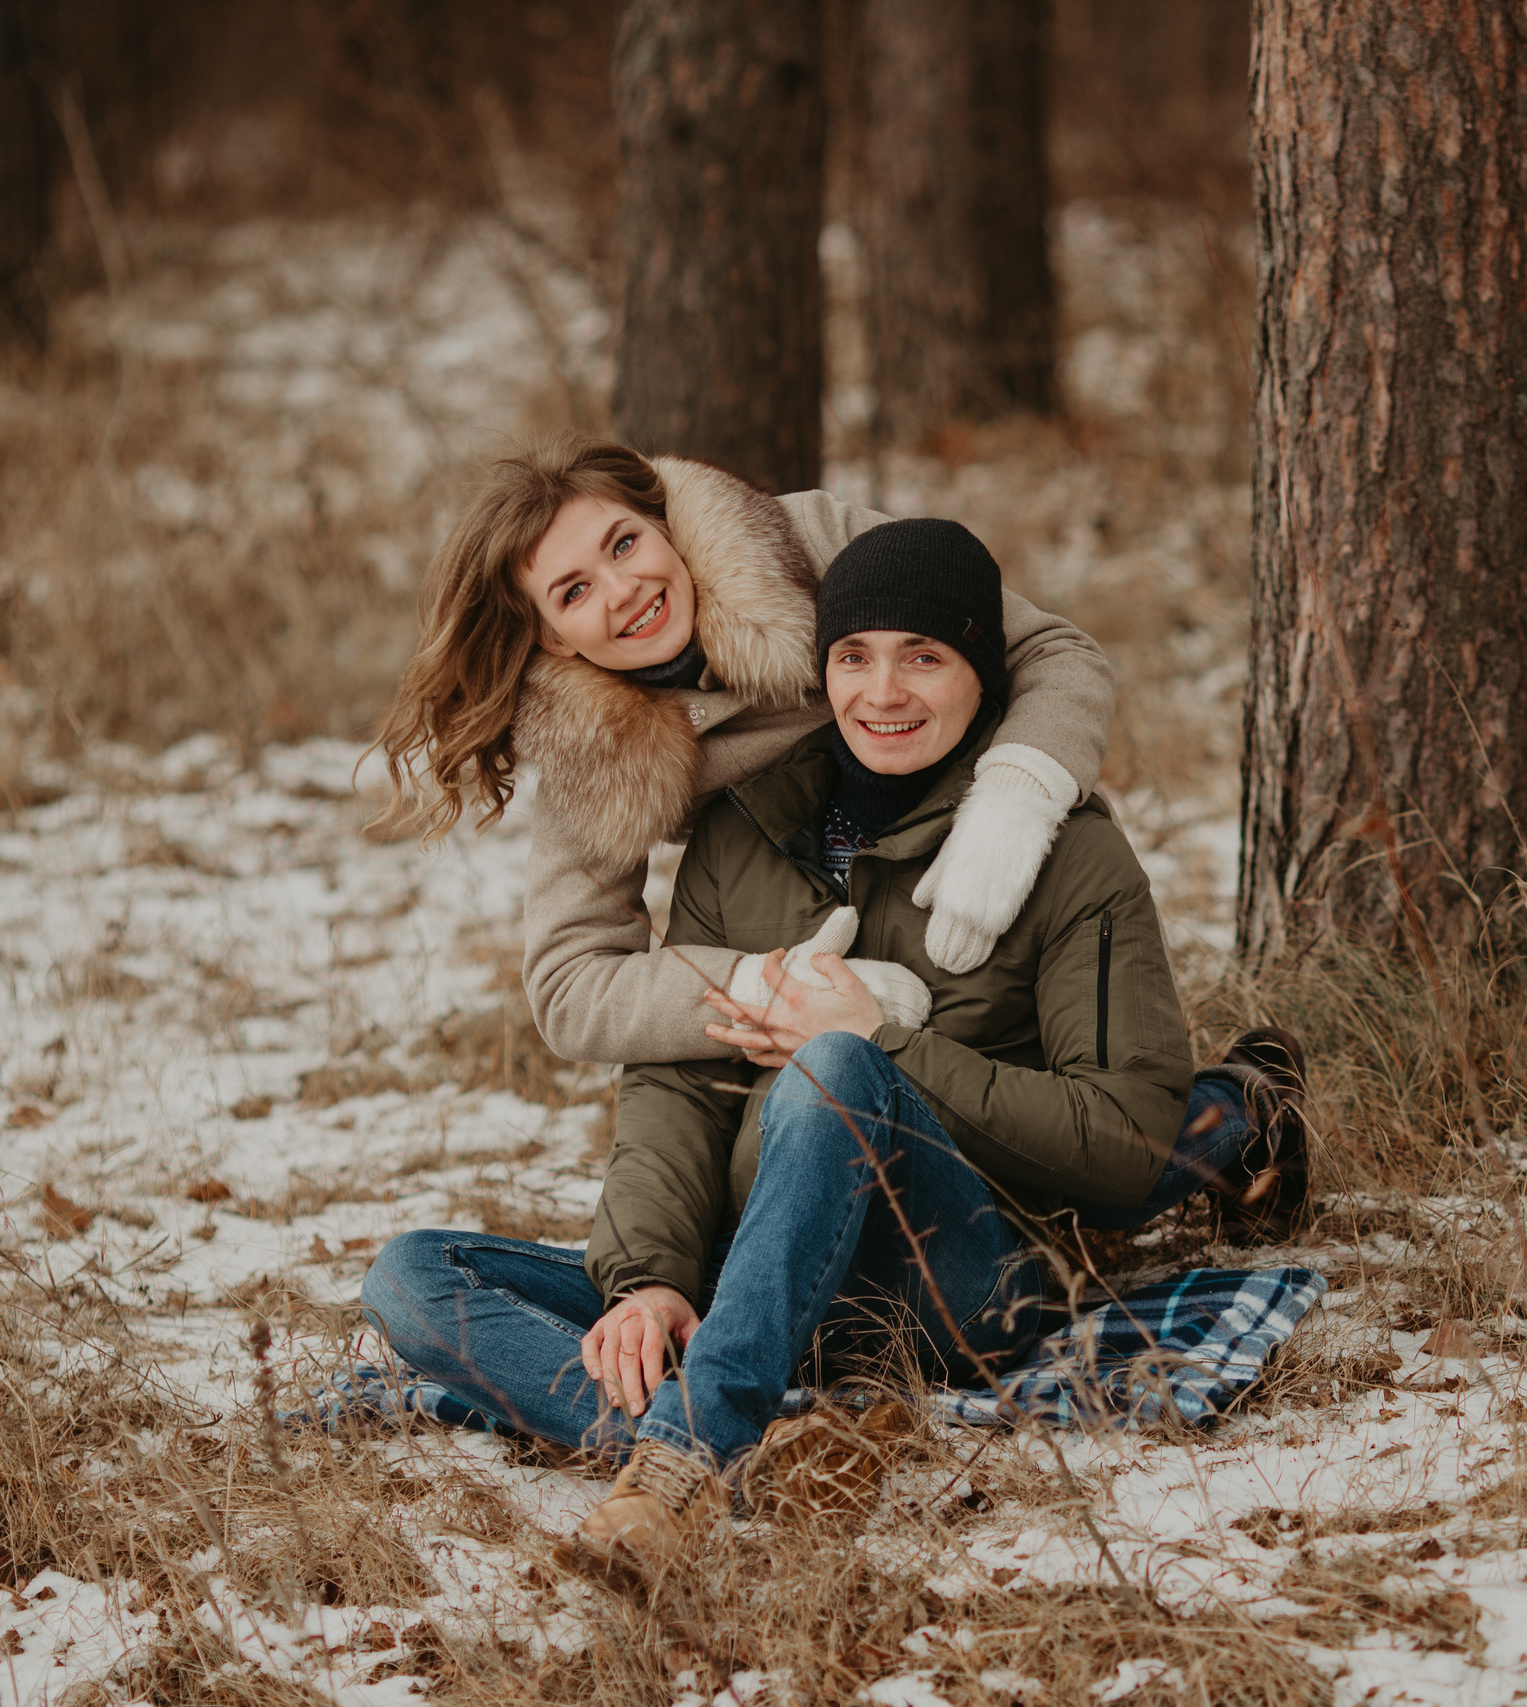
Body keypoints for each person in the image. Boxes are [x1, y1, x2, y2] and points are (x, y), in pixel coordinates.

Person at [361, 519, 1310, 1584]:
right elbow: (677, 1083)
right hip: (747, 1279)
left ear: (981, 673)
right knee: (412, 1275)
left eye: (925, 657)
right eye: (853, 657)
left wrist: (882, 1042)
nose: (884, 691)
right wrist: (651, 1281)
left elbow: (1127, 1146)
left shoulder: (1074, 856)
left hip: (957, 1278)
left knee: (840, 1068)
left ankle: (682, 1455)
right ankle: (731, 1435)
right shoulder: (742, 834)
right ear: (819, 671)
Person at [371, 437, 1118, 1069]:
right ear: (552, 640)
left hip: (985, 873)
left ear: (662, 523)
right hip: (839, 917)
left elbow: (1052, 648)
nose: (624, 589)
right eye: (573, 591)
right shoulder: (588, 740)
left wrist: (1016, 802)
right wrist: (771, 989)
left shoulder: (805, 539)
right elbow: (570, 985)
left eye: (625, 543)